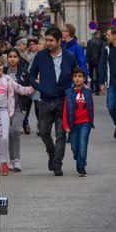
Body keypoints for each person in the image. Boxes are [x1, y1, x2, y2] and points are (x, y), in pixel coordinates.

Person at [27, 26, 77, 175]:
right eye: (46, 40)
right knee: (43, 131)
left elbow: (77, 74)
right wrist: (39, 86)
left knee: (61, 133)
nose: (48, 43)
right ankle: (51, 152)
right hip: (45, 100)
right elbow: (31, 76)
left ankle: (57, 164)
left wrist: (73, 89)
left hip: (63, 99)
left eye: (51, 40)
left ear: (59, 41)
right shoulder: (40, 56)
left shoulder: (69, 57)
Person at [0, 58, 34, 176]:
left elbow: (21, 89)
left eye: (0, 65)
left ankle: (4, 162)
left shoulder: (8, 79)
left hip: (4, 111)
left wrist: (35, 86)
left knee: (4, 138)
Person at [62, 67, 94, 176]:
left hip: (86, 123)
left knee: (82, 145)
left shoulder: (88, 91)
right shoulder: (69, 92)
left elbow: (91, 107)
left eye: (80, 76)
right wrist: (66, 125)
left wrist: (91, 121)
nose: (77, 79)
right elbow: (66, 110)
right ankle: (78, 157)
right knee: (74, 147)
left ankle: (81, 167)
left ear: (84, 78)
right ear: (72, 78)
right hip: (73, 124)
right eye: (75, 76)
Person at [4, 49, 32, 170]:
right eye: (10, 56)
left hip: (18, 106)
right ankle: (11, 160)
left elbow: (28, 90)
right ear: (7, 58)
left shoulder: (24, 73)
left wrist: (25, 106)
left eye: (15, 56)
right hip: (4, 107)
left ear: (18, 59)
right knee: (8, 133)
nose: (12, 59)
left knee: (15, 130)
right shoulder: (2, 71)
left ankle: (17, 159)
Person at [86, 29, 105, 94]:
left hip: (90, 61)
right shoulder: (101, 42)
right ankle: (97, 89)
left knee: (91, 74)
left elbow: (87, 52)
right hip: (98, 61)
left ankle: (91, 88)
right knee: (98, 75)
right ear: (98, 35)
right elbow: (102, 53)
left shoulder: (89, 42)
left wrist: (87, 61)